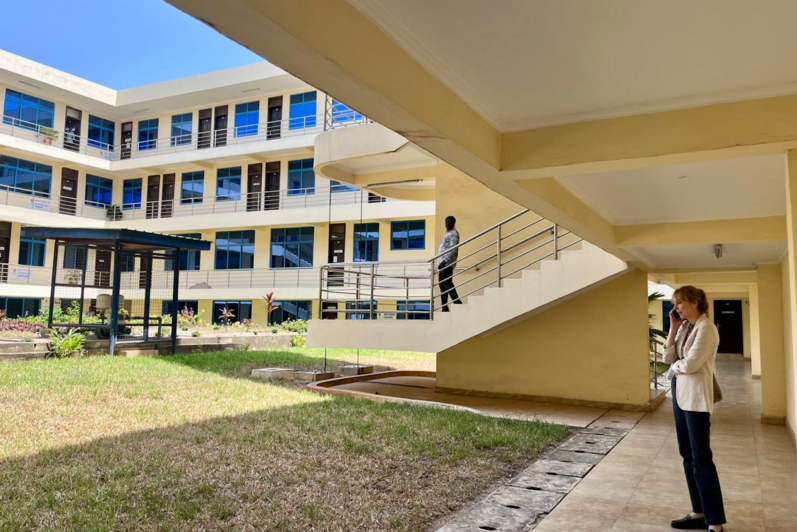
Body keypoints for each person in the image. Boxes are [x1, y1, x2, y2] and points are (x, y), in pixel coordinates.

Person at [664, 286, 725, 532]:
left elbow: (689, 365)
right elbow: (669, 358)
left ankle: (715, 522)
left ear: (696, 302)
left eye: (679, 302)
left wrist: (674, 369)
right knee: (687, 455)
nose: (675, 308)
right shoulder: (686, 328)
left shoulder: (706, 329)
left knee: (701, 458)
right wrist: (673, 328)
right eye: (674, 303)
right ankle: (698, 512)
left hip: (696, 400)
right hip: (680, 396)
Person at [437, 215, 461, 312]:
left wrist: (445, 261)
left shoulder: (454, 234)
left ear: (453, 223)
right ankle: (444, 307)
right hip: (442, 264)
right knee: (442, 286)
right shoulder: (448, 233)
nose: (447, 224)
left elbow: (453, 249)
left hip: (446, 264)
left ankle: (457, 303)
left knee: (447, 284)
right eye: (446, 222)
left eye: (449, 222)